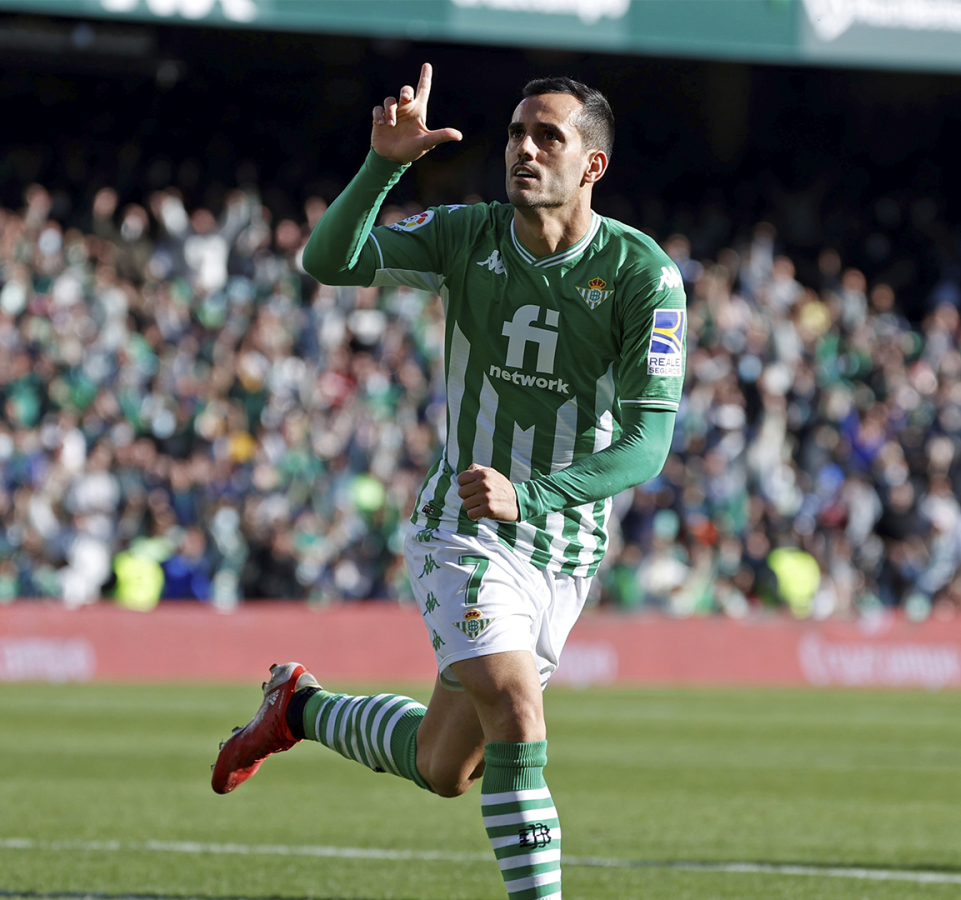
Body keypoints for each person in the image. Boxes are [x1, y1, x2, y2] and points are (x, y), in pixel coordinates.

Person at [210, 65, 686, 900]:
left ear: (593, 167)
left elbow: (647, 447)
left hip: (563, 549)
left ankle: (299, 708)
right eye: (514, 133)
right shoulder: (467, 234)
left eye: (548, 136)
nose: (524, 150)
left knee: (444, 767)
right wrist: (383, 165)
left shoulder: (644, 277)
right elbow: (330, 261)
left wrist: (532, 496)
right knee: (514, 708)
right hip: (460, 527)